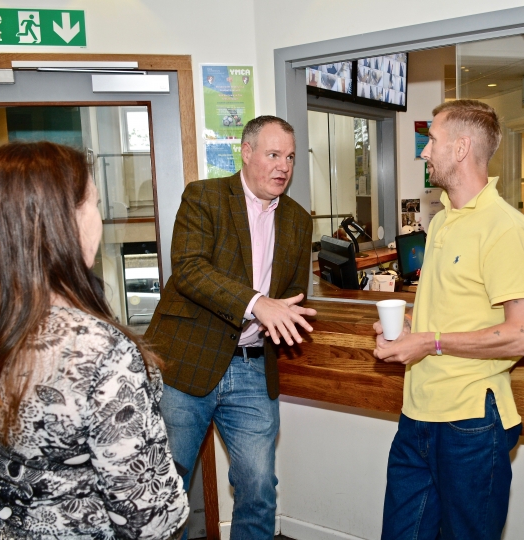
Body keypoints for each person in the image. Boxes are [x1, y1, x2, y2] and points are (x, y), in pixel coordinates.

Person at [0, 141, 189, 540]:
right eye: (96, 204)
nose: (99, 220)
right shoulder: (101, 350)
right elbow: (151, 518)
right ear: (64, 222)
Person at [373, 100, 524, 539]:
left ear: (462, 147)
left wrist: (429, 342)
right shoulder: (443, 219)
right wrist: (409, 333)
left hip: (470, 421)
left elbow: (523, 336)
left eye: (432, 141)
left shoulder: (506, 227)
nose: (424, 152)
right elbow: (449, 310)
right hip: (417, 413)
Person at [144, 115, 315, 539]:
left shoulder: (298, 219)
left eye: (290, 157)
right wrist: (258, 304)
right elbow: (189, 269)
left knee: (259, 487)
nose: (283, 166)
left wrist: (286, 316)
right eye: (274, 154)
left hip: (253, 367)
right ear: (246, 152)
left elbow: (291, 295)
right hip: (186, 363)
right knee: (167, 489)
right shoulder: (204, 197)